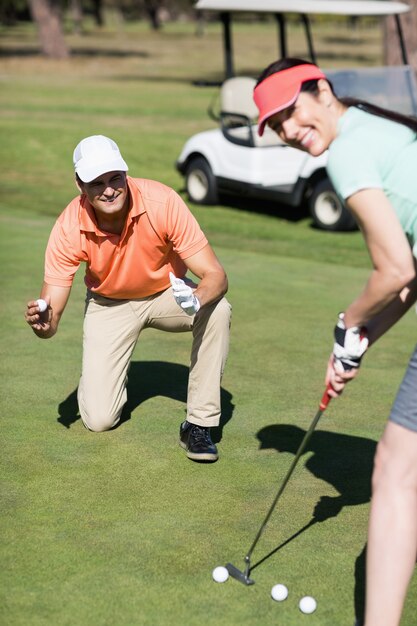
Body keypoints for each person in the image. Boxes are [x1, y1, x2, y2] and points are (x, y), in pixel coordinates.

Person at [253, 58, 417, 626]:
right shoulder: (378, 129)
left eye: (291, 114)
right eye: (277, 127)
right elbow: (412, 274)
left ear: (321, 90)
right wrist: (361, 339)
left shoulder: (349, 150)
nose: (290, 132)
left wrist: (347, 321)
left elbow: (393, 269)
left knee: (396, 472)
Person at [25, 135, 231, 463]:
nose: (109, 189)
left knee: (217, 308)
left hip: (168, 294)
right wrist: (42, 325)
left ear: (125, 173)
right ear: (80, 185)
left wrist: (197, 298)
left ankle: (198, 425)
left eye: (115, 178)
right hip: (109, 304)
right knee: (99, 420)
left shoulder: (161, 201)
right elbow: (51, 317)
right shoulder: (68, 226)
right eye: (96, 182)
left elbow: (216, 276)